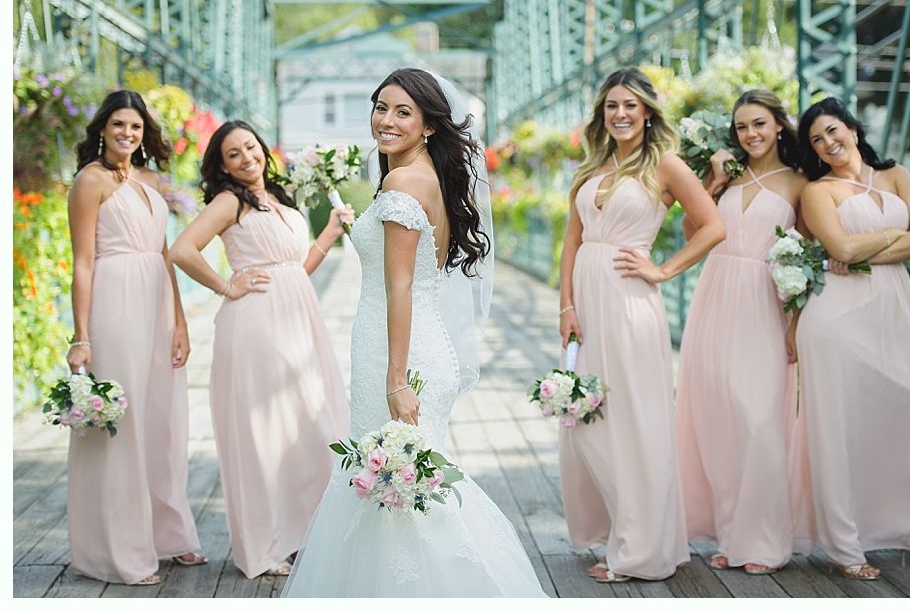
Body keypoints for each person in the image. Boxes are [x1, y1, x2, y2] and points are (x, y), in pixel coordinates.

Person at [282, 68, 546, 597]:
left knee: (401, 485)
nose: (386, 119)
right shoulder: (427, 176)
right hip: (414, 344)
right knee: (397, 485)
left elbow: (400, 287)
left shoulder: (402, 182)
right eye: (381, 107)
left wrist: (396, 379)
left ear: (428, 125)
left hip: (399, 356)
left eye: (403, 111)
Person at [793, 97, 910, 580]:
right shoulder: (817, 192)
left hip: (894, 310)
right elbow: (841, 249)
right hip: (837, 317)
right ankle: (846, 545)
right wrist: (896, 236)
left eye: (833, 131)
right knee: (844, 428)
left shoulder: (895, 175)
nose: (828, 143)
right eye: (816, 140)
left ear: (852, 129)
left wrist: (867, 247)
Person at [557, 67, 726, 583]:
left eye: (630, 105)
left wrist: (663, 270)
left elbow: (714, 227)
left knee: (633, 422)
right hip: (587, 303)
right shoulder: (592, 168)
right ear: (601, 115)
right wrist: (565, 305)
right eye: (612, 106)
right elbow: (571, 242)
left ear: (648, 112)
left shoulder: (667, 165)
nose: (621, 114)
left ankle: (641, 548)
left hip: (631, 305)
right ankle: (613, 530)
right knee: (586, 419)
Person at [169, 121, 351, 578]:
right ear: (223, 165)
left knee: (311, 427)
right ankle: (265, 546)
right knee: (266, 434)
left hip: (298, 320)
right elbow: (182, 250)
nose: (246, 157)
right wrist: (226, 285)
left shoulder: (279, 197)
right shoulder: (229, 201)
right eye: (234, 153)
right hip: (258, 326)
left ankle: (306, 532)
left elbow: (295, 268)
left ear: (262, 150)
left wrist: (328, 233)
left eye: (250, 146)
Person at [65, 89, 204, 585]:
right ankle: (120, 551)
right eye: (119, 124)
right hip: (116, 302)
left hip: (158, 304)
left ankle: (168, 535)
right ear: (102, 128)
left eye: (137, 127)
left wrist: (181, 320)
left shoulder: (149, 180)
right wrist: (81, 337)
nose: (128, 133)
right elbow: (82, 262)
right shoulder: (89, 181)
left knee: (163, 420)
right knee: (123, 425)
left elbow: (166, 254)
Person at [674, 89, 815, 575]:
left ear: (779, 125)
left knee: (761, 420)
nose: (750, 135)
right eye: (741, 128)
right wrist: (713, 180)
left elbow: (810, 258)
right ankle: (732, 532)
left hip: (764, 302)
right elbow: (694, 237)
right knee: (721, 418)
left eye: (758, 124)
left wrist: (795, 324)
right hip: (716, 296)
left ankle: (766, 539)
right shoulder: (726, 177)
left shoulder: (800, 184)